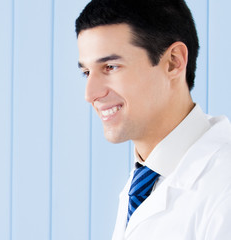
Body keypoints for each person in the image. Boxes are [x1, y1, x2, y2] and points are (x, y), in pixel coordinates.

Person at [75, 0, 231, 239]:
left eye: (111, 67)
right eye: (86, 72)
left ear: (173, 62)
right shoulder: (142, 183)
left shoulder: (223, 185)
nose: (90, 94)